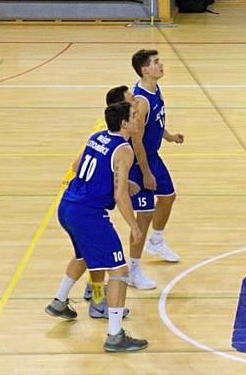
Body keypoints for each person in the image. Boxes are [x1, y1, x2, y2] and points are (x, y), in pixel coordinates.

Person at [45, 101, 148, 352]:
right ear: (124, 123)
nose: (138, 119)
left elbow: (77, 167)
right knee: (119, 271)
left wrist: (116, 180)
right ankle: (115, 335)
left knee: (83, 256)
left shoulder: (97, 136)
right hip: (88, 214)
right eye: (134, 116)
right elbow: (119, 197)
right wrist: (134, 226)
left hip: (67, 206)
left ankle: (59, 301)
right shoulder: (124, 150)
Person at [126, 49, 184, 290]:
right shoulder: (140, 101)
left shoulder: (155, 89)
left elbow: (156, 123)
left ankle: (156, 240)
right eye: (156, 63)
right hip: (139, 162)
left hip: (153, 156)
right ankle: (133, 270)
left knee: (168, 196)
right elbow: (136, 140)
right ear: (145, 70)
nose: (161, 65)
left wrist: (168, 136)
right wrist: (146, 172)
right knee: (144, 216)